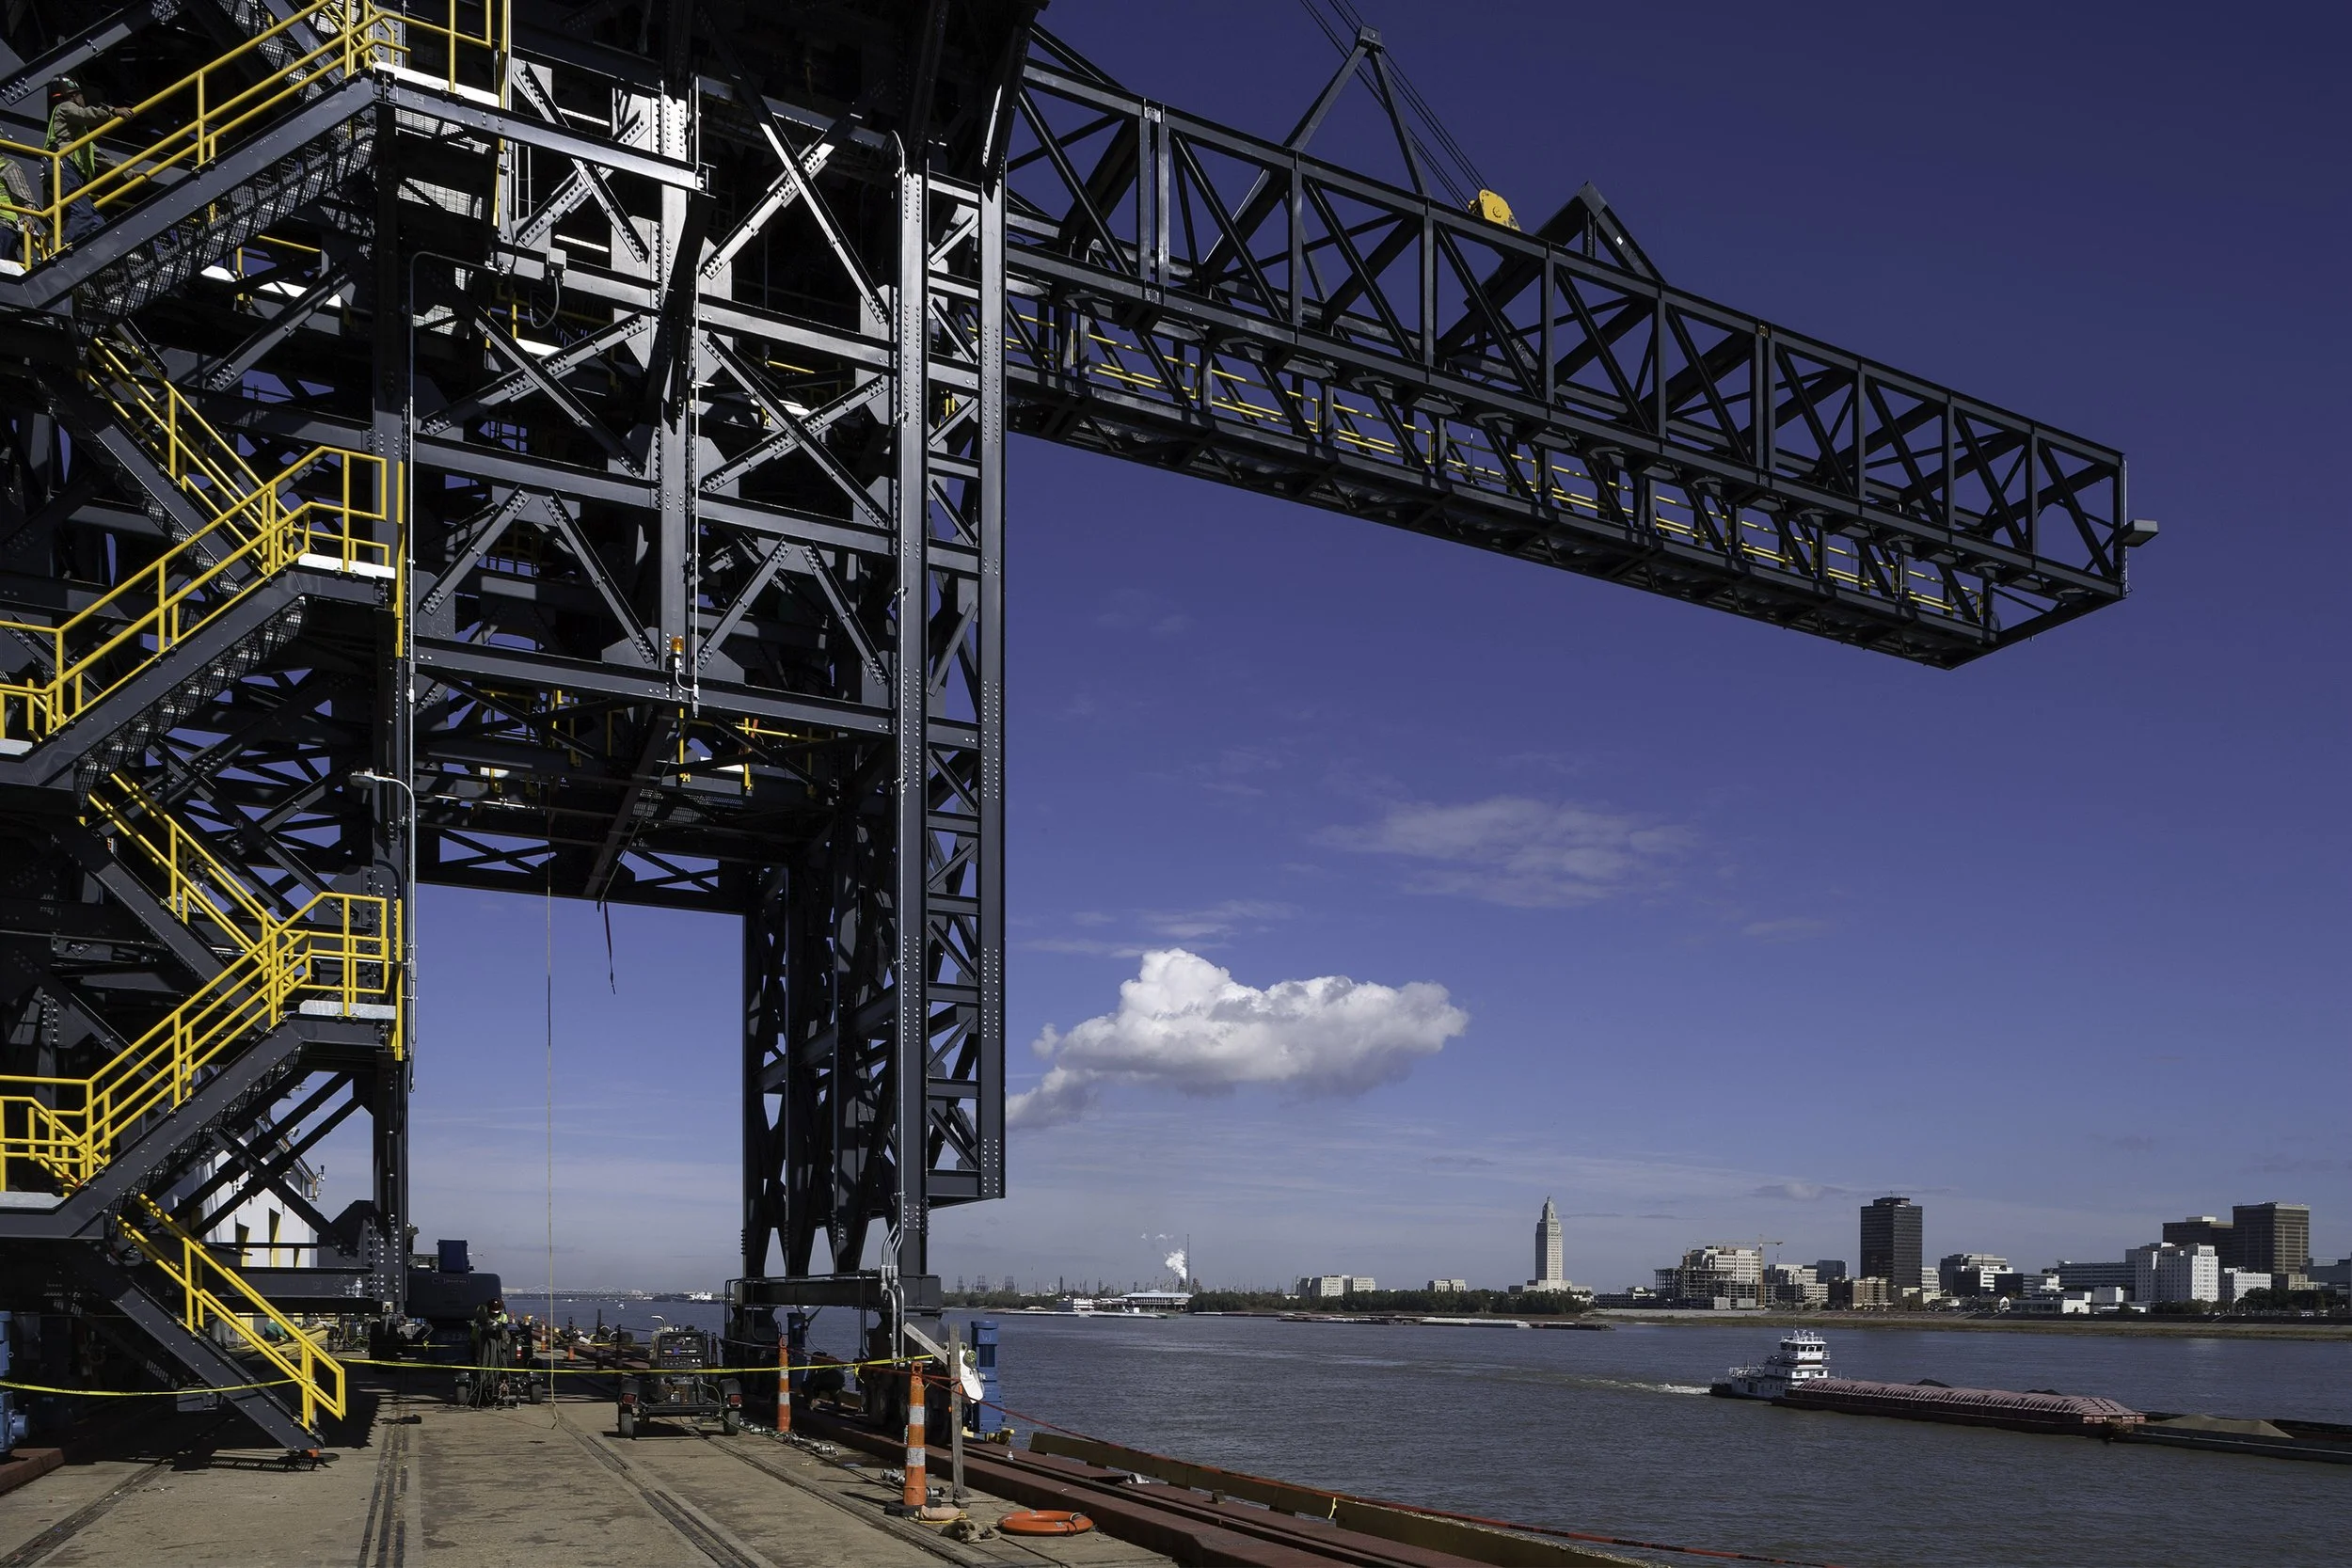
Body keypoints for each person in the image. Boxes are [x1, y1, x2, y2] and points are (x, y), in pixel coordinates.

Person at [45, 77, 128, 248]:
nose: (84, 99)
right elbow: (86, 115)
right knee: (83, 213)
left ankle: (102, 259)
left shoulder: (80, 136)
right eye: (81, 95)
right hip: (62, 164)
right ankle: (62, 251)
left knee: (95, 219)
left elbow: (98, 157)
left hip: (67, 168)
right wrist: (112, 111)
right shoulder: (66, 107)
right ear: (74, 95)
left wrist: (128, 172)